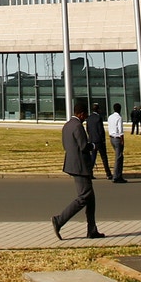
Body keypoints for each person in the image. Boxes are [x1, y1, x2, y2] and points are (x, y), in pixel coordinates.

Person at [50, 102, 104, 240]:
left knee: (91, 199)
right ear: (81, 114)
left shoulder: (67, 125)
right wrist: (93, 146)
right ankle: (59, 220)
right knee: (84, 197)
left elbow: (66, 145)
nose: (85, 117)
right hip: (80, 166)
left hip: (73, 164)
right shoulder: (78, 126)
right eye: (85, 115)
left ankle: (92, 230)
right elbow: (83, 146)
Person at [85, 102, 112, 181]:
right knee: (104, 157)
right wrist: (103, 140)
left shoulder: (89, 118)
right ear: (98, 109)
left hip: (92, 140)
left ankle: (90, 173)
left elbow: (88, 129)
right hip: (99, 140)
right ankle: (108, 173)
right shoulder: (99, 118)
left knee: (93, 157)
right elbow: (101, 130)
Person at [108, 102, 127, 182]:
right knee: (118, 158)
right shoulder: (119, 118)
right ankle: (117, 176)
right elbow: (120, 130)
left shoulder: (110, 117)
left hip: (111, 137)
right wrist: (122, 140)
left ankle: (118, 175)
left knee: (118, 157)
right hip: (117, 138)